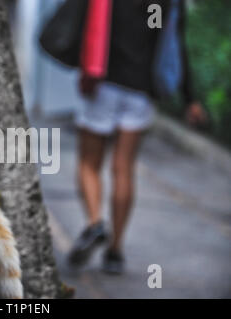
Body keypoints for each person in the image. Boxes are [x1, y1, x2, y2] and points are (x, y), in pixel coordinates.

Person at [68, 0, 207, 274]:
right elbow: (175, 46)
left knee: (89, 163)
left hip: (104, 85)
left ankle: (95, 224)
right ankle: (115, 252)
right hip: (140, 92)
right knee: (123, 168)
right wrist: (190, 99)